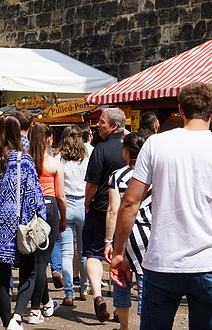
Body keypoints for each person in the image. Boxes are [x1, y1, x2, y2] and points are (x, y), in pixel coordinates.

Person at [109, 82, 212, 330]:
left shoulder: (155, 144)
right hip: (209, 262)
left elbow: (130, 202)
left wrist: (119, 251)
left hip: (162, 261)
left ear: (181, 110)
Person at [0, 115, 46, 330]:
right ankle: (18, 316)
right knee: (29, 272)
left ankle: (8, 322)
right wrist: (40, 218)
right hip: (20, 222)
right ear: (17, 133)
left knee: (2, 276)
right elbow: (34, 196)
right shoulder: (23, 161)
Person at [84, 107, 127, 322]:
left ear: (114, 126)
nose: (97, 125)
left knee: (94, 253)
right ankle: (121, 308)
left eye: (102, 122)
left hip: (101, 208)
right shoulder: (132, 147)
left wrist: (87, 203)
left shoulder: (100, 149)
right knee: (122, 256)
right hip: (127, 211)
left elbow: (92, 183)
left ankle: (98, 296)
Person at [105, 132, 150, 330]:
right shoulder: (153, 175)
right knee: (145, 282)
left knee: (121, 280)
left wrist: (109, 240)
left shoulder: (118, 176)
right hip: (149, 232)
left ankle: (124, 327)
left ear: (126, 152)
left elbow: (114, 210)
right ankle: (145, 325)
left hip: (125, 234)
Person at [26, 122, 66, 324]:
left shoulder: (25, 160)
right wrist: (63, 217)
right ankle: (35, 310)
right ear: (49, 139)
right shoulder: (53, 163)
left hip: (28, 208)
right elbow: (61, 196)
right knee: (42, 261)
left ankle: (46, 302)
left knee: (32, 260)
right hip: (49, 207)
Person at [57, 125, 90, 305]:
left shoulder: (58, 157)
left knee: (66, 252)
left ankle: (68, 292)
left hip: (65, 205)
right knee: (84, 251)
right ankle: (84, 288)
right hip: (83, 204)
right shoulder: (86, 157)